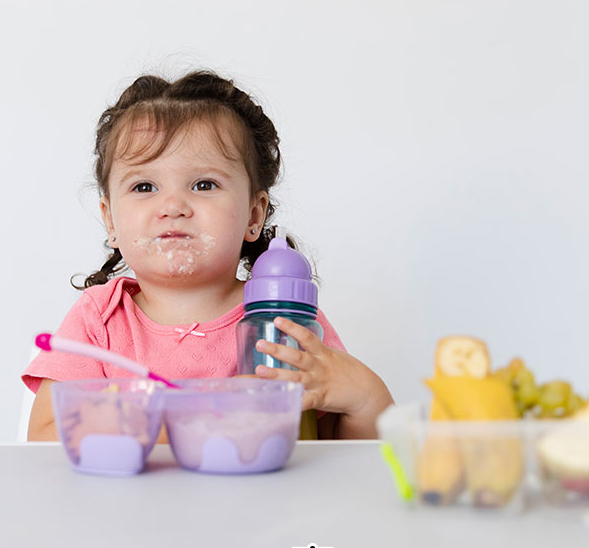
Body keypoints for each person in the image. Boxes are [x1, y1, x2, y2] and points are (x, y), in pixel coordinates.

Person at [22, 70, 392, 441]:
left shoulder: (279, 323)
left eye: (204, 184)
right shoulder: (100, 320)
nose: (172, 205)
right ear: (110, 220)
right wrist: (200, 419)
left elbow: (340, 455)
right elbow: (46, 436)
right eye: (144, 186)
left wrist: (366, 398)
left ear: (253, 215)